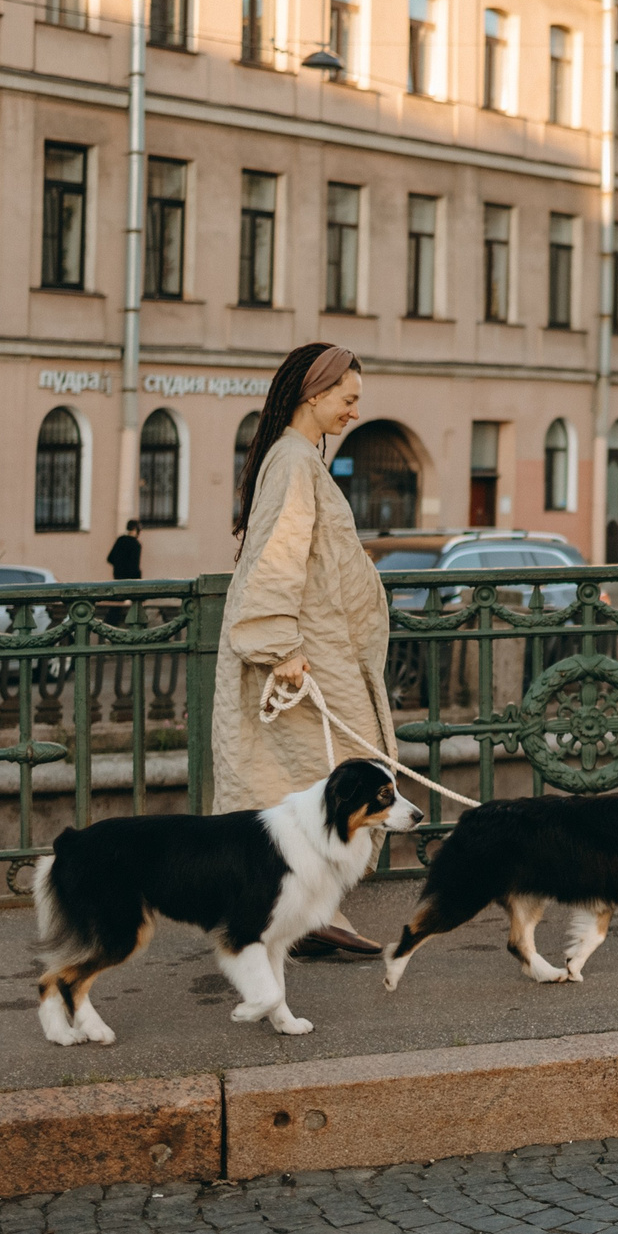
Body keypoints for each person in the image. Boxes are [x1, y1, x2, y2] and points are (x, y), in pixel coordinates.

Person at [212, 342, 398, 957]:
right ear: (313, 394)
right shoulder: (294, 461)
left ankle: (303, 913)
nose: (352, 412)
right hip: (302, 658)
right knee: (326, 778)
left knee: (301, 782)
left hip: (315, 651)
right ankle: (292, 915)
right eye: (347, 400)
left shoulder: (293, 458)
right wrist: (278, 645)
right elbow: (279, 554)